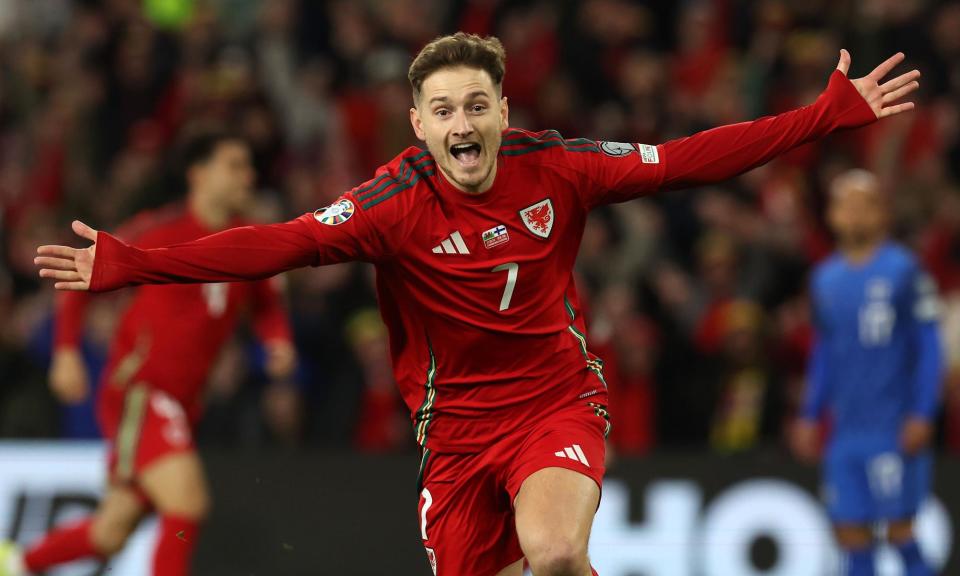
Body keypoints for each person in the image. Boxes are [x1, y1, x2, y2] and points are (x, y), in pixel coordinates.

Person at [32, 32, 919, 576]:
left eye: (477, 104)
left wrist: (819, 116)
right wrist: (132, 263)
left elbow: (686, 158)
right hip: (452, 433)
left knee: (560, 552)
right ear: (418, 123)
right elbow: (282, 244)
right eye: (443, 108)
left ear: (502, 110)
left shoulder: (557, 165)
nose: (463, 122)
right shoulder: (393, 202)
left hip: (553, 401)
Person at [1, 132, 297, 576]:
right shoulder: (159, 230)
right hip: (141, 392)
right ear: (199, 173)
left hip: (184, 403)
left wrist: (277, 340)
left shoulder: (249, 239)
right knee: (188, 501)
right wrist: (66, 352)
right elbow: (81, 274)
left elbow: (265, 298)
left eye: (249, 166)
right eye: (234, 165)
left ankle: (19, 563)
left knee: (111, 531)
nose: (247, 176)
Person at [792, 169, 943, 576]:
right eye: (846, 205)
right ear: (832, 215)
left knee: (900, 532)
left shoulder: (904, 270)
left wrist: (923, 412)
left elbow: (929, 346)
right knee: (850, 536)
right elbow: (823, 351)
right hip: (845, 430)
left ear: (882, 213)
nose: (855, 214)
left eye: (865, 205)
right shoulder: (824, 279)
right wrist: (810, 414)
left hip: (893, 424)